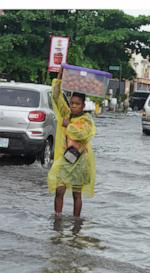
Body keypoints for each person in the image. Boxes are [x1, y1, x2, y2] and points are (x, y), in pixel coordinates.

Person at [48, 75, 96, 218]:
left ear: (83, 105)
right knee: (59, 190)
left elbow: (81, 134)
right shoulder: (66, 114)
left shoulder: (86, 120)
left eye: (77, 103)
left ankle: (76, 223)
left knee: (76, 194)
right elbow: (56, 97)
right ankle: (57, 218)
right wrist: (59, 78)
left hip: (80, 161)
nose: (74, 105)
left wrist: (68, 125)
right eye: (72, 103)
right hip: (66, 159)